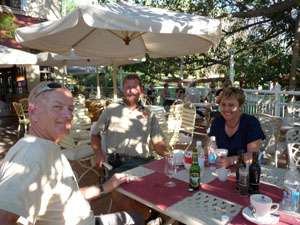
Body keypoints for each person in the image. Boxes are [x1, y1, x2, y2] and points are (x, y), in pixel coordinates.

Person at [0, 81, 144, 225]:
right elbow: (4, 218)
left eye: (70, 108)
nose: (68, 115)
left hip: (85, 219)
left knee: (135, 217)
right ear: (33, 112)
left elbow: (66, 196)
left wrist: (106, 186)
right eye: (57, 107)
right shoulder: (29, 156)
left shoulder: (46, 147)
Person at [90, 74, 169, 221]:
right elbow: (95, 135)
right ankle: (151, 218)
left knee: (163, 192)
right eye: (128, 87)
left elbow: (158, 144)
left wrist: (170, 157)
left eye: (134, 87)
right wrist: (98, 154)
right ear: (123, 90)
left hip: (145, 163)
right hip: (119, 164)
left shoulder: (148, 114)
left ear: (141, 90)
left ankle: (151, 216)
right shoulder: (111, 110)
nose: (131, 90)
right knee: (123, 202)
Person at [205, 87, 265, 168]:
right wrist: (206, 155)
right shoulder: (218, 121)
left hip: (247, 170)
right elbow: (208, 147)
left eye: (231, 105)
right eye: (223, 104)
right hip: (221, 170)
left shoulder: (251, 122)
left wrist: (231, 160)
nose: (226, 109)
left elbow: (253, 155)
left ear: (241, 106)